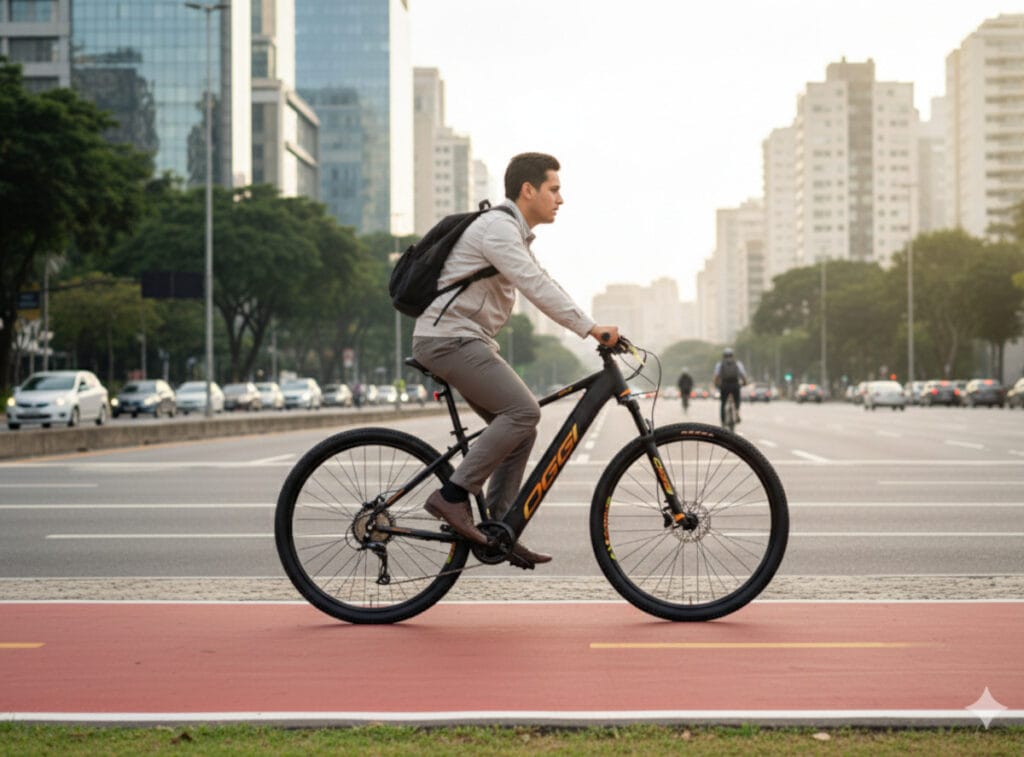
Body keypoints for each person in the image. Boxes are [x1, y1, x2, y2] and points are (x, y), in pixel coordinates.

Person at [411, 152, 619, 568]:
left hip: (465, 340)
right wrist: (590, 328)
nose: (561, 199)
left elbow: (543, 280)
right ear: (528, 190)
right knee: (523, 412)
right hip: (448, 339)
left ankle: (501, 529)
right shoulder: (499, 229)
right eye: (554, 189)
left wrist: (589, 324)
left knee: (520, 430)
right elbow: (534, 285)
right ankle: (451, 496)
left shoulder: (512, 233)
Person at [713, 347, 748, 425]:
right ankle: (737, 411)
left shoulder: (720, 364)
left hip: (724, 385)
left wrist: (716, 385)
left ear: (723, 355)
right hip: (735, 385)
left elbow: (716, 376)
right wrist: (745, 383)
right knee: (737, 399)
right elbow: (743, 375)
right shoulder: (738, 363)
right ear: (732, 355)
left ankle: (723, 421)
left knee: (723, 402)